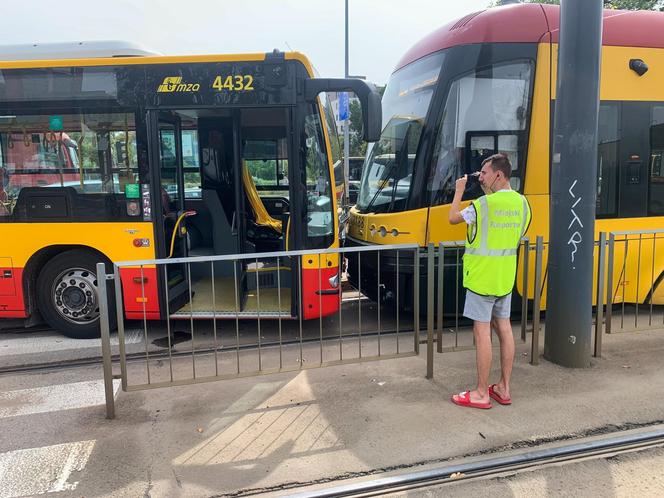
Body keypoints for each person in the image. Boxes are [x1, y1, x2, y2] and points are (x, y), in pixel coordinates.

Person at [448, 153, 531, 409]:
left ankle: (481, 393)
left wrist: (458, 191)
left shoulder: (483, 205)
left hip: (482, 278)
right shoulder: (522, 203)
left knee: (482, 333)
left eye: (484, 173)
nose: (480, 177)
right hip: (505, 278)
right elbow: (521, 232)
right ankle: (504, 388)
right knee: (504, 329)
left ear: (498, 174)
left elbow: (452, 218)